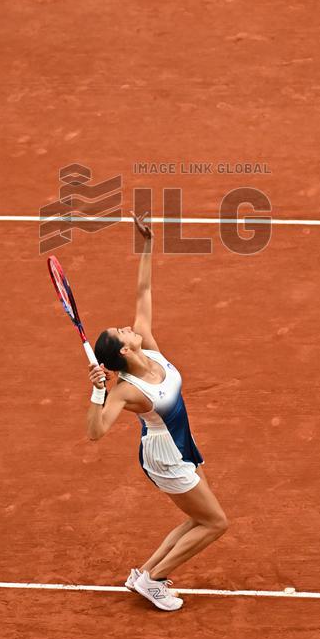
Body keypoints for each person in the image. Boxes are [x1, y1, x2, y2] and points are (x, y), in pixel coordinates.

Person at [87, 212, 229, 611]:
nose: (129, 327)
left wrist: (146, 244)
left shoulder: (146, 345)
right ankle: (153, 580)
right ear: (124, 352)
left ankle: (144, 572)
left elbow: (143, 291)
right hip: (164, 455)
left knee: (197, 517)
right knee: (215, 523)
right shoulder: (126, 390)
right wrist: (97, 393)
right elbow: (96, 433)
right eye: (123, 332)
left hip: (180, 441)